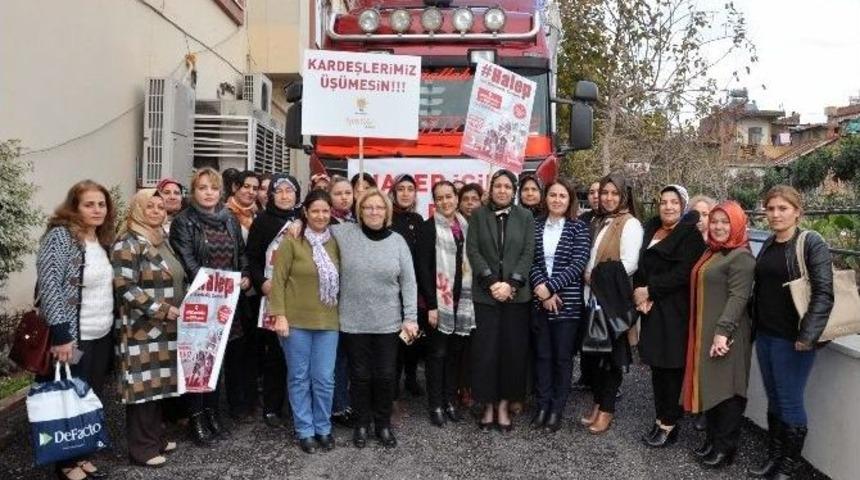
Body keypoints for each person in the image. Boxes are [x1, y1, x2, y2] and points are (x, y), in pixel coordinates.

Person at [747, 185, 833, 480]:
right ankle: (775, 456)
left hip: (793, 339)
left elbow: (824, 292)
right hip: (767, 335)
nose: (775, 214)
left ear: (797, 211)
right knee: (774, 398)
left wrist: (807, 336)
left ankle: (789, 465)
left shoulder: (811, 243)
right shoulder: (770, 244)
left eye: (782, 208)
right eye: (770, 208)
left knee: (790, 400)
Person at [36, 180, 116, 480]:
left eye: (101, 204)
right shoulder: (60, 237)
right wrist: (61, 335)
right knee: (67, 397)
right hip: (73, 335)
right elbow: (50, 287)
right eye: (89, 204)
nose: (97, 210)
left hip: (101, 331)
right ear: (74, 207)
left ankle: (81, 453)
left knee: (89, 395)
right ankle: (65, 462)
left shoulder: (102, 239)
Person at [169, 167, 251, 447]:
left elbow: (241, 255)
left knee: (218, 360)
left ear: (221, 192)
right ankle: (196, 417)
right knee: (198, 362)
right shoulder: (183, 222)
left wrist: (245, 277)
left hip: (228, 303)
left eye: (213, 188)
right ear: (194, 191)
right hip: (200, 302)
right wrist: (214, 285)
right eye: (203, 188)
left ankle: (213, 412)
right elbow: (187, 261)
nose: (208, 193)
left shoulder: (229, 218)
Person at [333, 188, 419, 448]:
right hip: (353, 321)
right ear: (360, 211)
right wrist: (297, 223)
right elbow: (316, 220)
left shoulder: (397, 242)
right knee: (359, 376)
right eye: (368, 207)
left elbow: (409, 282)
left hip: (388, 323)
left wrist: (411, 316)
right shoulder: (344, 234)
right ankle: (361, 423)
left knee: (384, 376)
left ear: (386, 211)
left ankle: (382, 424)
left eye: (379, 207)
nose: (374, 211)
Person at [680, 201, 756, 469]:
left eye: (726, 222)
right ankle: (713, 440)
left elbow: (738, 298)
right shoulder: (712, 252)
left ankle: (726, 448)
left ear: (737, 224)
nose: (719, 226)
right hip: (707, 332)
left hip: (728, 334)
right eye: (715, 221)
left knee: (728, 391)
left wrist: (722, 332)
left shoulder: (741, 256)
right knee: (712, 387)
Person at [112, 189, 183, 467]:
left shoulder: (160, 239)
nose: (155, 210)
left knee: (159, 385)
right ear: (137, 209)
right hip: (141, 327)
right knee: (142, 388)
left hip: (166, 327)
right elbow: (125, 287)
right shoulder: (126, 242)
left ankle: (155, 437)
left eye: (160, 206)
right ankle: (141, 449)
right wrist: (161, 309)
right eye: (149, 206)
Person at [632, 185, 706, 447]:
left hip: (674, 309)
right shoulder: (651, 229)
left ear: (683, 205)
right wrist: (640, 294)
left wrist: (650, 290)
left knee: (672, 367)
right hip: (651, 306)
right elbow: (641, 264)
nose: (668, 207)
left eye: (674, 202)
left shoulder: (690, 237)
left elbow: (683, 273)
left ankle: (669, 422)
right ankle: (660, 416)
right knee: (656, 366)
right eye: (663, 202)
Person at [269, 190, 341, 454]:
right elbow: (278, 279)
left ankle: (323, 427)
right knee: (299, 377)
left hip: (328, 321)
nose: (321, 215)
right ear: (305, 213)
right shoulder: (292, 240)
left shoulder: (337, 240)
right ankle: (305, 430)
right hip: (295, 322)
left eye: (325, 211)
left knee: (324, 378)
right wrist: (279, 315)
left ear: (330, 212)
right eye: (315, 211)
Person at [466, 169, 535, 432]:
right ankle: (488, 405)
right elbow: (473, 250)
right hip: (486, 296)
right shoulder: (478, 216)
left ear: (514, 190)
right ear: (491, 188)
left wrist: (512, 284)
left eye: (508, 186)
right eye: (498, 186)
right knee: (486, 353)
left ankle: (505, 405)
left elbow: (528, 252)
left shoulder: (525, 216)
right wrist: (492, 283)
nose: (503, 190)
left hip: (516, 298)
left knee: (512, 353)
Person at [580, 173, 643, 434]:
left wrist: (595, 274)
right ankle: (598, 405)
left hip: (611, 302)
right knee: (595, 357)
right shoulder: (601, 220)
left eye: (614, 193)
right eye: (605, 192)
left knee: (610, 359)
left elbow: (630, 264)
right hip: (593, 300)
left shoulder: (629, 224)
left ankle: (607, 410)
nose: (608, 197)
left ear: (624, 196)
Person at [528, 179, 591, 433]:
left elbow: (578, 264)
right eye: (552, 195)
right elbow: (529, 260)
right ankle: (542, 405)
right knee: (542, 356)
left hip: (568, 303)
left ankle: (556, 409)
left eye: (562, 196)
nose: (557, 200)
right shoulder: (535, 225)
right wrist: (542, 291)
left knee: (562, 359)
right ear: (546, 198)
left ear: (570, 200)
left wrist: (551, 287)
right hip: (540, 301)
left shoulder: (579, 228)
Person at [245, 174, 303, 428]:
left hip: (300, 297)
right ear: (271, 195)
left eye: (290, 192)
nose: (284, 196)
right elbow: (252, 258)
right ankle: (272, 406)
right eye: (279, 191)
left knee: (299, 355)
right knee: (275, 356)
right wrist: (261, 283)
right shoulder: (263, 221)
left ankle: (295, 405)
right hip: (271, 297)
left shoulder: (305, 220)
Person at [415, 181, 475, 427]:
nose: (445, 202)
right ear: (434, 202)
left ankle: (451, 400)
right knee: (437, 355)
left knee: (454, 355)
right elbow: (422, 269)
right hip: (439, 304)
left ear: (456, 198)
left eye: (449, 196)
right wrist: (431, 305)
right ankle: (436, 404)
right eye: (439, 198)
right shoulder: (429, 229)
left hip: (462, 304)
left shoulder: (465, 226)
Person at [389, 174, 425, 398]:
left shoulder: (418, 220)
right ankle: (393, 381)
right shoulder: (386, 218)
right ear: (393, 192)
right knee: (394, 339)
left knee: (413, 337)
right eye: (400, 188)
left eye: (409, 189)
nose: (405, 193)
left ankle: (411, 378)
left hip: (413, 288)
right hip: (391, 288)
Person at [326, 175, 356, 427]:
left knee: (349, 354)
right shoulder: (325, 222)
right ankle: (338, 405)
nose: (344, 197)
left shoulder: (357, 220)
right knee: (336, 357)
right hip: (331, 298)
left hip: (354, 297)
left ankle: (348, 401)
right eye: (338, 193)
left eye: (348, 192)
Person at [226, 170, 261, 242]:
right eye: (246, 186)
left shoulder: (259, 214)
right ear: (235, 187)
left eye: (255, 189)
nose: (251, 192)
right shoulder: (223, 213)